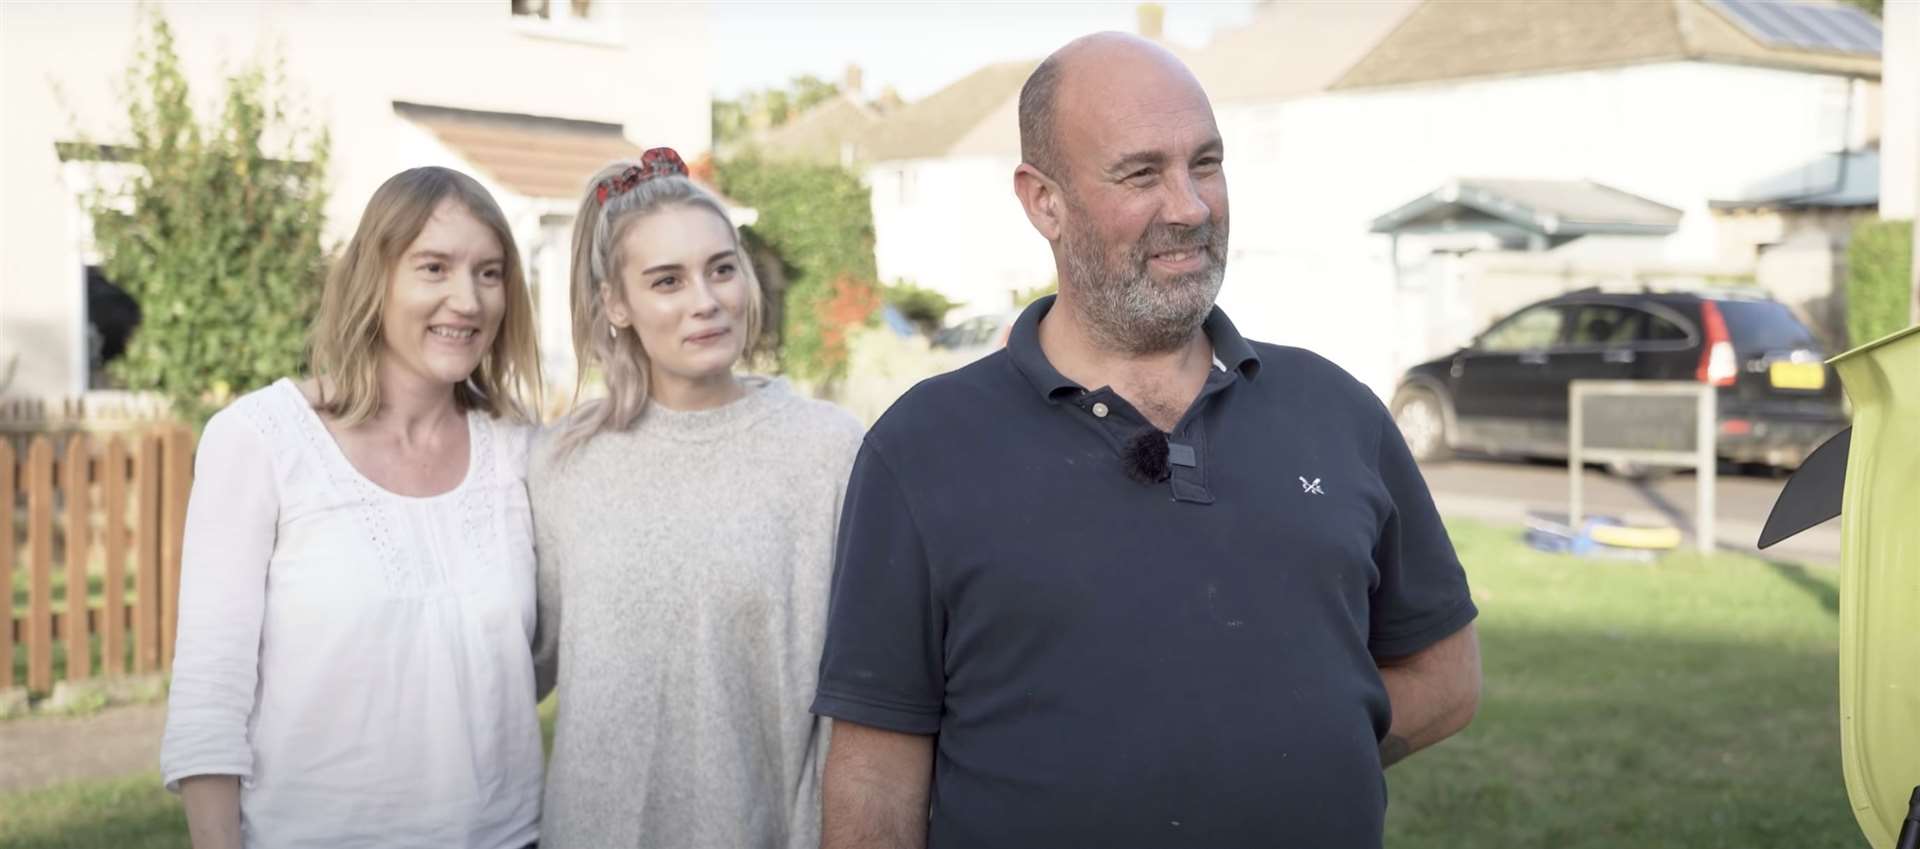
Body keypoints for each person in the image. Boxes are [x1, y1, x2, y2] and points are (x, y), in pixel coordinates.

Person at [812, 33, 1482, 849]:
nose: (1191, 207)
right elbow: (876, 776)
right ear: (1042, 201)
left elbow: (1446, 676)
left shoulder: (1337, 412)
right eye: (1142, 173)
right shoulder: (920, 450)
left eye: (1205, 163)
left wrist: (1292, 760)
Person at [160, 166, 546, 848]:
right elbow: (209, 697)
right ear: (376, 276)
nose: (468, 299)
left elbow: (535, 658)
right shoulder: (262, 440)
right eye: (434, 267)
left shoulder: (519, 450)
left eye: (489, 273)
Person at [528, 148, 863, 849]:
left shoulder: (830, 452)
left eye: (721, 268)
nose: (706, 301)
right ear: (616, 304)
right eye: (666, 281)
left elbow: (865, 695)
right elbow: (511, 668)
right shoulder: (562, 463)